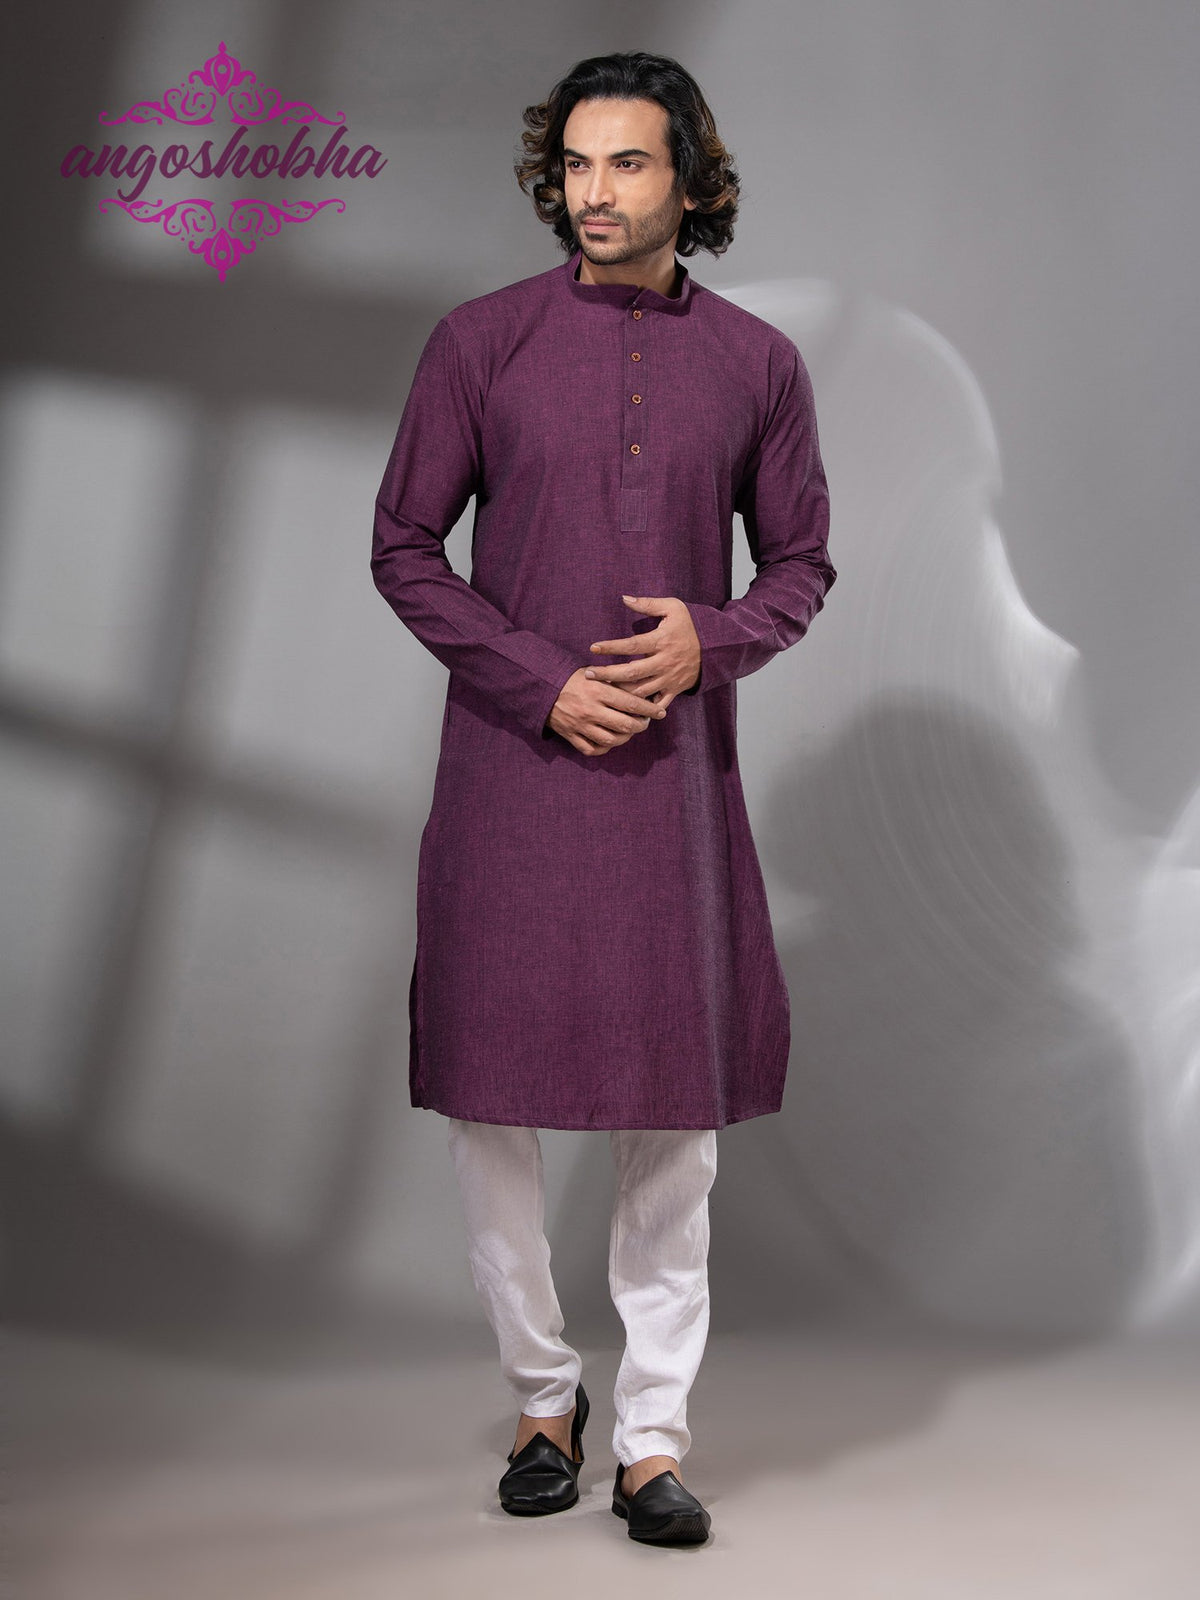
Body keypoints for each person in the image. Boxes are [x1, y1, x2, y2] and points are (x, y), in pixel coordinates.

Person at [371, 50, 835, 1546]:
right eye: (575, 163)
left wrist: (715, 642)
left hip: (672, 784)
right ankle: (539, 1395)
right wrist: (537, 681)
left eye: (628, 163)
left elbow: (802, 562)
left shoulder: (758, 363)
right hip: (512, 770)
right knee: (489, 1103)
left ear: (690, 183)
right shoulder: (481, 342)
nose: (594, 191)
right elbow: (403, 547)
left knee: (673, 1116)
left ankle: (649, 1438)